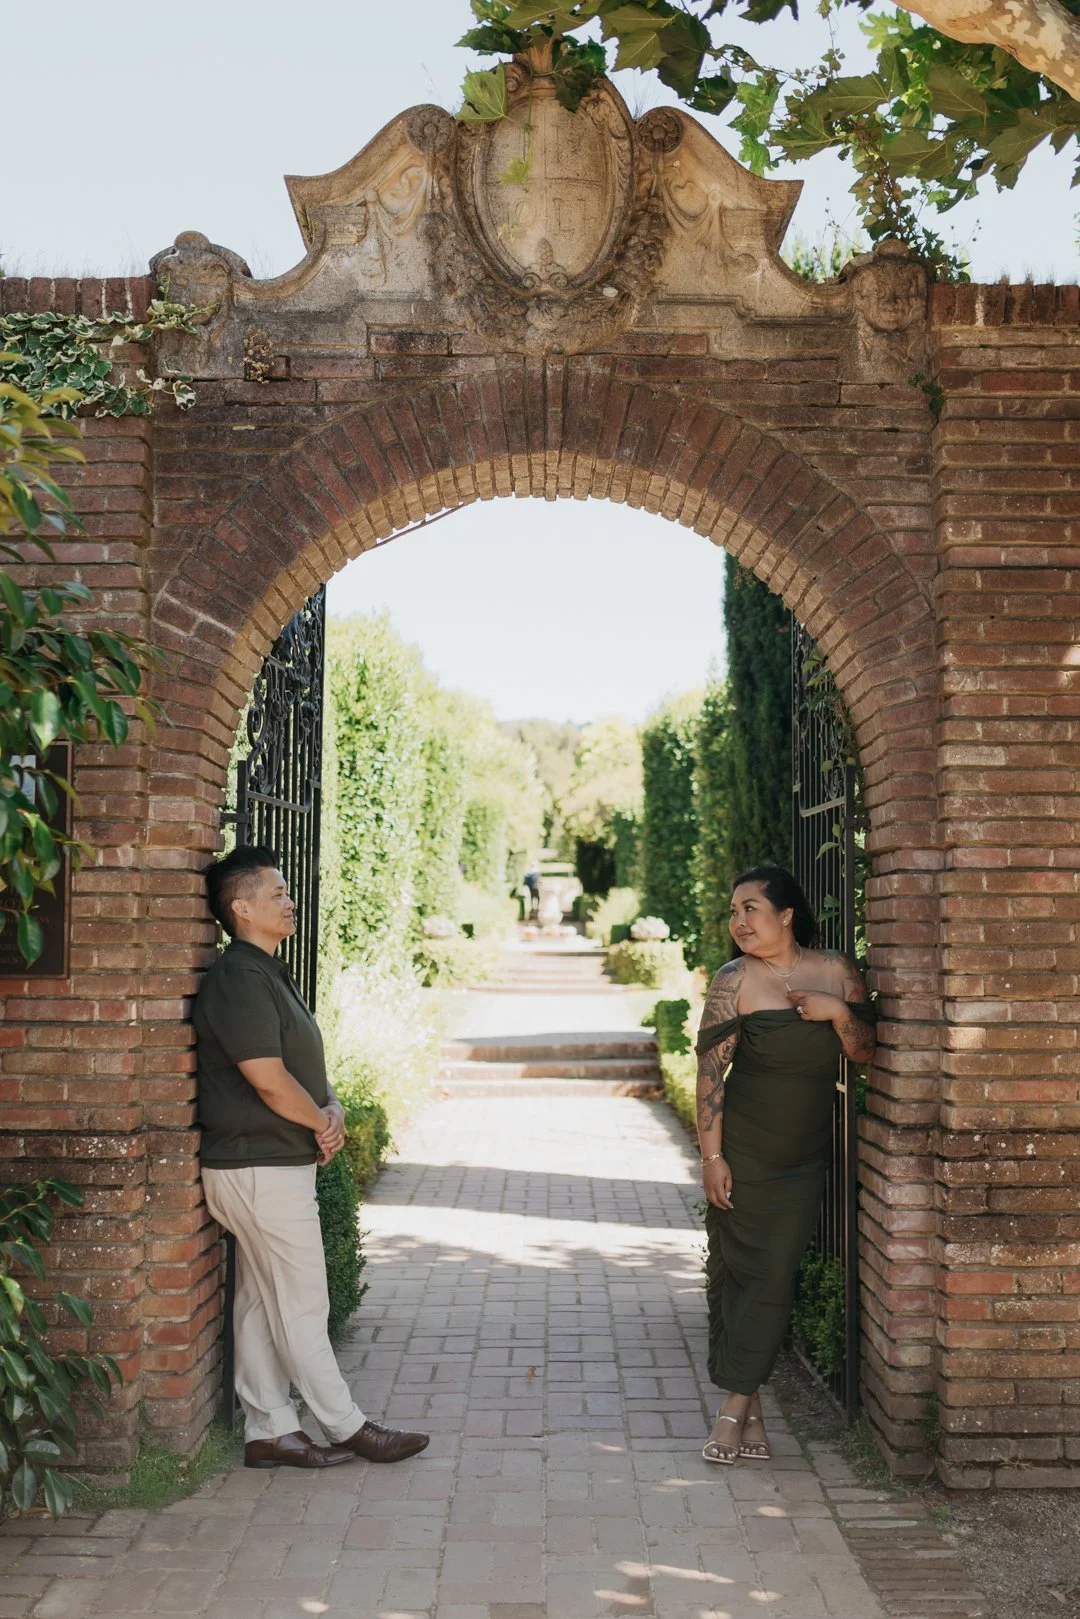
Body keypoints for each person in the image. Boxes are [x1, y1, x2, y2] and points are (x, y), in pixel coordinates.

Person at [194, 844, 430, 1470]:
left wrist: (331, 1108)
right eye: (276, 893)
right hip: (256, 1168)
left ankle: (268, 1429)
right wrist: (319, 1121)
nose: (289, 899)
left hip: (267, 1166)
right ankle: (347, 1426)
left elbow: (299, 1069)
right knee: (302, 1303)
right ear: (241, 907)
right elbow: (267, 1079)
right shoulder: (239, 978)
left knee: (258, 1302)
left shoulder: (265, 971)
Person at [695, 864, 875, 1465]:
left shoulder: (837, 971)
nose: (738, 921)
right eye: (733, 911)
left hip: (802, 1157)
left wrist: (836, 1012)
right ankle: (741, 1410)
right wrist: (712, 1157)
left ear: (786, 914)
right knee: (745, 1277)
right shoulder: (732, 980)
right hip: (744, 1151)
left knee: (774, 1277)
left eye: (750, 908)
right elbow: (710, 1077)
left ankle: (738, 1408)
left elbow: (865, 1050)